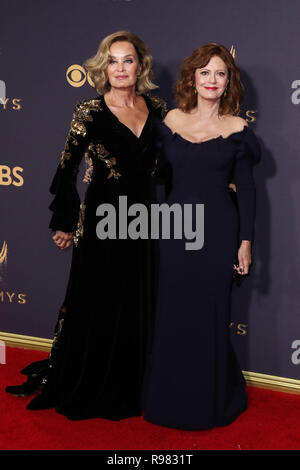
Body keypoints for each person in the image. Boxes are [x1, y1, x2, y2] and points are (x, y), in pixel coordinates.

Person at [5, 31, 167, 421]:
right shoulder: (88, 111)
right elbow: (67, 168)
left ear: (141, 65)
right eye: (113, 61)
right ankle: (92, 378)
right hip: (102, 220)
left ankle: (136, 380)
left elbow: (173, 164)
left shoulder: (159, 109)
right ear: (103, 67)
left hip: (144, 220)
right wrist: (64, 220)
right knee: (100, 296)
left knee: (138, 298)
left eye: (128, 60)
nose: (121, 68)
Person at [142, 43, 261, 430]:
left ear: (229, 82)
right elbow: (157, 178)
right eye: (205, 72)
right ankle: (168, 398)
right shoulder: (171, 120)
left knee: (209, 316)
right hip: (174, 232)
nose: (212, 80)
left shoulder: (238, 129)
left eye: (220, 73)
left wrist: (245, 242)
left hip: (218, 233)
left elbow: (246, 189)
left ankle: (208, 401)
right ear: (192, 77)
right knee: (173, 314)